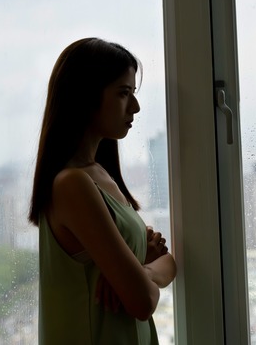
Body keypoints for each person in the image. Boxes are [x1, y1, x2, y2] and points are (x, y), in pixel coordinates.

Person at [30, 38, 177, 344]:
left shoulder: (99, 176)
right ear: (85, 97)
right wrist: (141, 276)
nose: (134, 107)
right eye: (124, 94)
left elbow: (169, 262)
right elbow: (142, 301)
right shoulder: (73, 184)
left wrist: (139, 271)